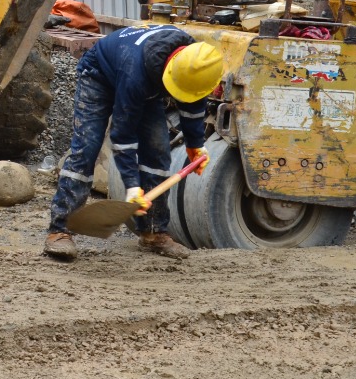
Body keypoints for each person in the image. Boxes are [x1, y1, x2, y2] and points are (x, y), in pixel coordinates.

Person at [43, 25, 222, 262]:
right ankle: (60, 229)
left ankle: (153, 231)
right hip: (99, 74)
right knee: (87, 147)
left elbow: (193, 105)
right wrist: (131, 186)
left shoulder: (194, 62)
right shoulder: (134, 73)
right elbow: (123, 135)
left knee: (158, 151)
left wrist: (195, 144)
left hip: (147, 81)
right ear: (171, 73)